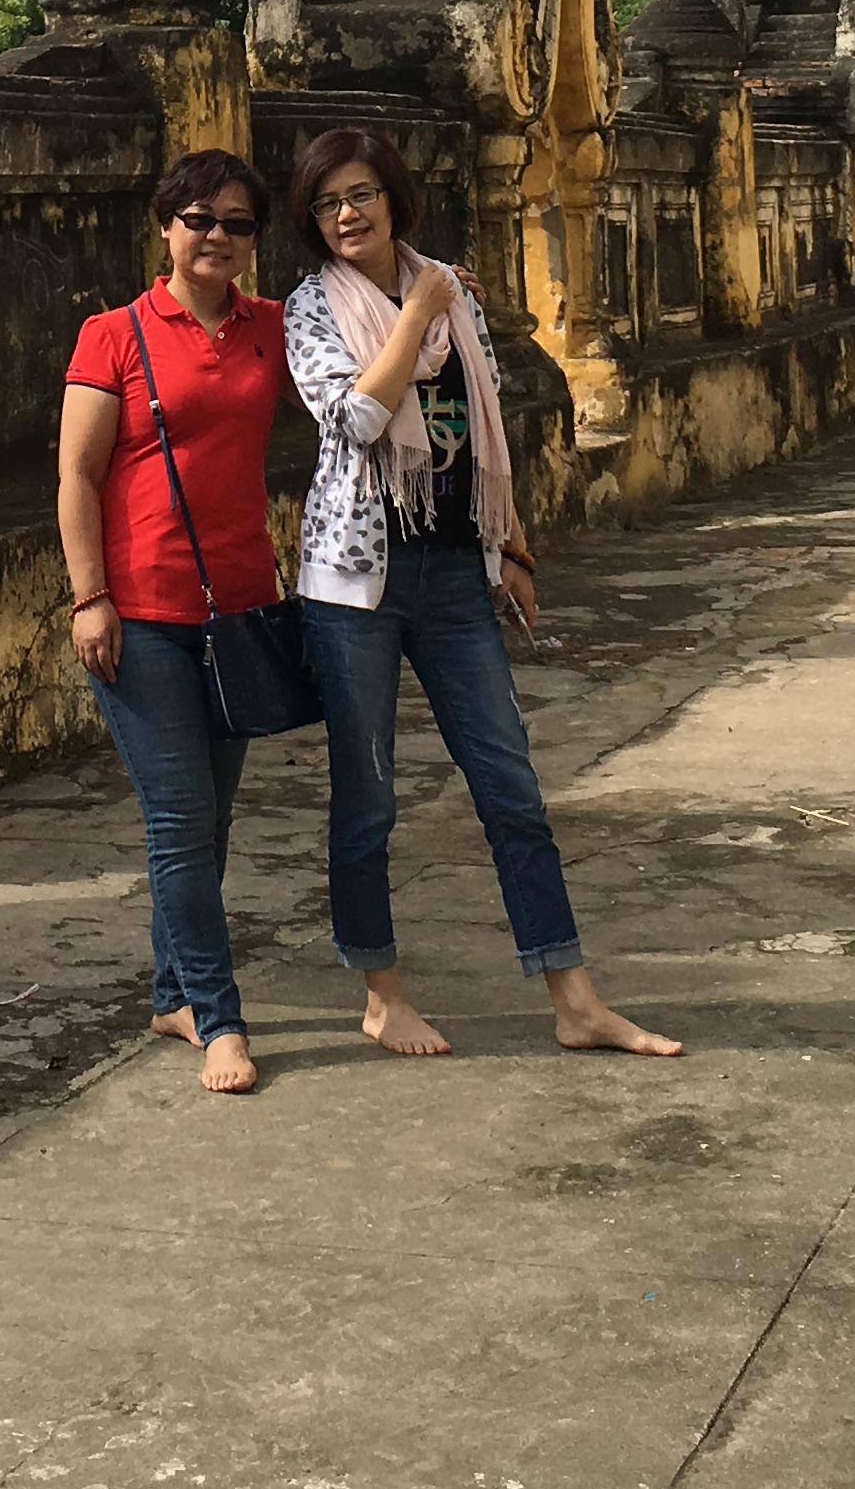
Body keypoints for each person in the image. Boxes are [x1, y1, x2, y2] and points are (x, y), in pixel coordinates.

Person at [281, 123, 682, 1061]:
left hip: (458, 570)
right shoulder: (312, 308)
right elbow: (359, 417)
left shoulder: (453, 295)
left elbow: (489, 425)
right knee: (369, 799)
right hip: (356, 582)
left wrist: (515, 551)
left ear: (394, 197)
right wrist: (417, 311)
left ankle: (574, 998)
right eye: (327, 203)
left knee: (512, 789)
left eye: (361, 194)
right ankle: (382, 995)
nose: (346, 214)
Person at [57, 146, 293, 1095]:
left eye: (237, 223)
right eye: (198, 219)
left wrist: (437, 295)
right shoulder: (113, 335)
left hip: (239, 610)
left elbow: (369, 345)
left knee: (211, 820)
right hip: (142, 613)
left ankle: (172, 995)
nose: (216, 237)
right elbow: (77, 475)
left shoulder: (271, 327)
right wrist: (89, 597)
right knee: (180, 819)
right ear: (166, 225)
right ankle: (220, 1016)